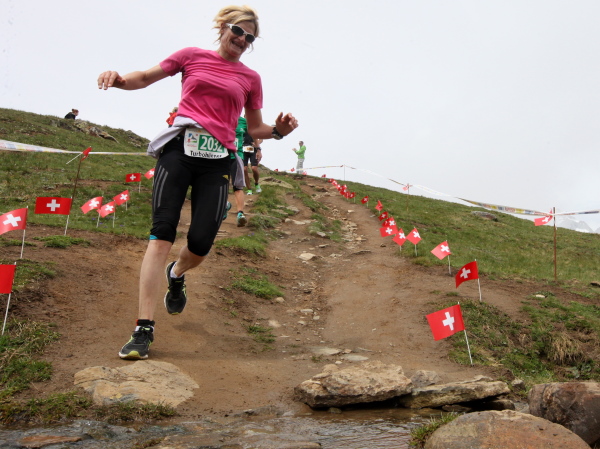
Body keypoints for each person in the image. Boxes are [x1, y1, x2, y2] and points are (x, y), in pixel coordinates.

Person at [97, 5, 298, 360]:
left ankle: (176, 275)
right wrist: (120, 79)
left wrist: (279, 131)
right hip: (179, 149)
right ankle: (143, 328)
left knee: (201, 244)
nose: (242, 39)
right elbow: (144, 77)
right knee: (161, 234)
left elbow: (255, 128)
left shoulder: (250, 79)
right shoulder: (191, 56)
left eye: (250, 37)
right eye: (238, 30)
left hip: (218, 160)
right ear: (223, 27)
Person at [232, 116, 248, 226]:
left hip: (237, 156)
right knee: (220, 185)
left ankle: (240, 214)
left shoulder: (243, 121)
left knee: (238, 186)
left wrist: (258, 149)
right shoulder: (218, 115)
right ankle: (223, 206)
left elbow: (255, 133)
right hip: (220, 156)